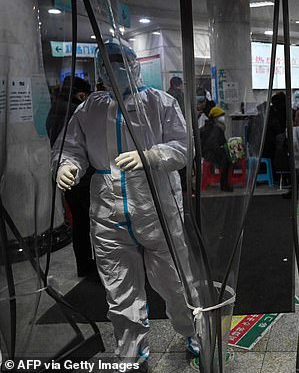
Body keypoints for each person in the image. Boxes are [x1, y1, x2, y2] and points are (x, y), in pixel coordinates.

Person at [52, 41, 199, 371]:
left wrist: (151, 156)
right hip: (109, 213)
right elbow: (70, 147)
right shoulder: (89, 108)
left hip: (157, 209)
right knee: (120, 292)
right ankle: (133, 352)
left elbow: (184, 146)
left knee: (177, 284)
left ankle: (195, 334)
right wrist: (65, 166)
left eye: (120, 60)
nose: (114, 67)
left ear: (134, 64)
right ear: (99, 69)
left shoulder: (159, 102)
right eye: (106, 62)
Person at [46, 75, 97, 279]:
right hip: (79, 176)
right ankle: (90, 265)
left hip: (66, 174)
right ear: (80, 94)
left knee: (79, 222)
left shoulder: (55, 108)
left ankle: (83, 264)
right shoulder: (74, 111)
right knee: (91, 222)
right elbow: (76, 146)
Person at [201, 106, 233, 192]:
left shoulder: (212, 126)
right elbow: (212, 144)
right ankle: (224, 185)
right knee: (227, 161)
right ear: (215, 118)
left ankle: (225, 184)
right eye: (220, 116)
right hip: (210, 153)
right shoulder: (216, 128)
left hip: (208, 152)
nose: (222, 118)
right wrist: (222, 151)